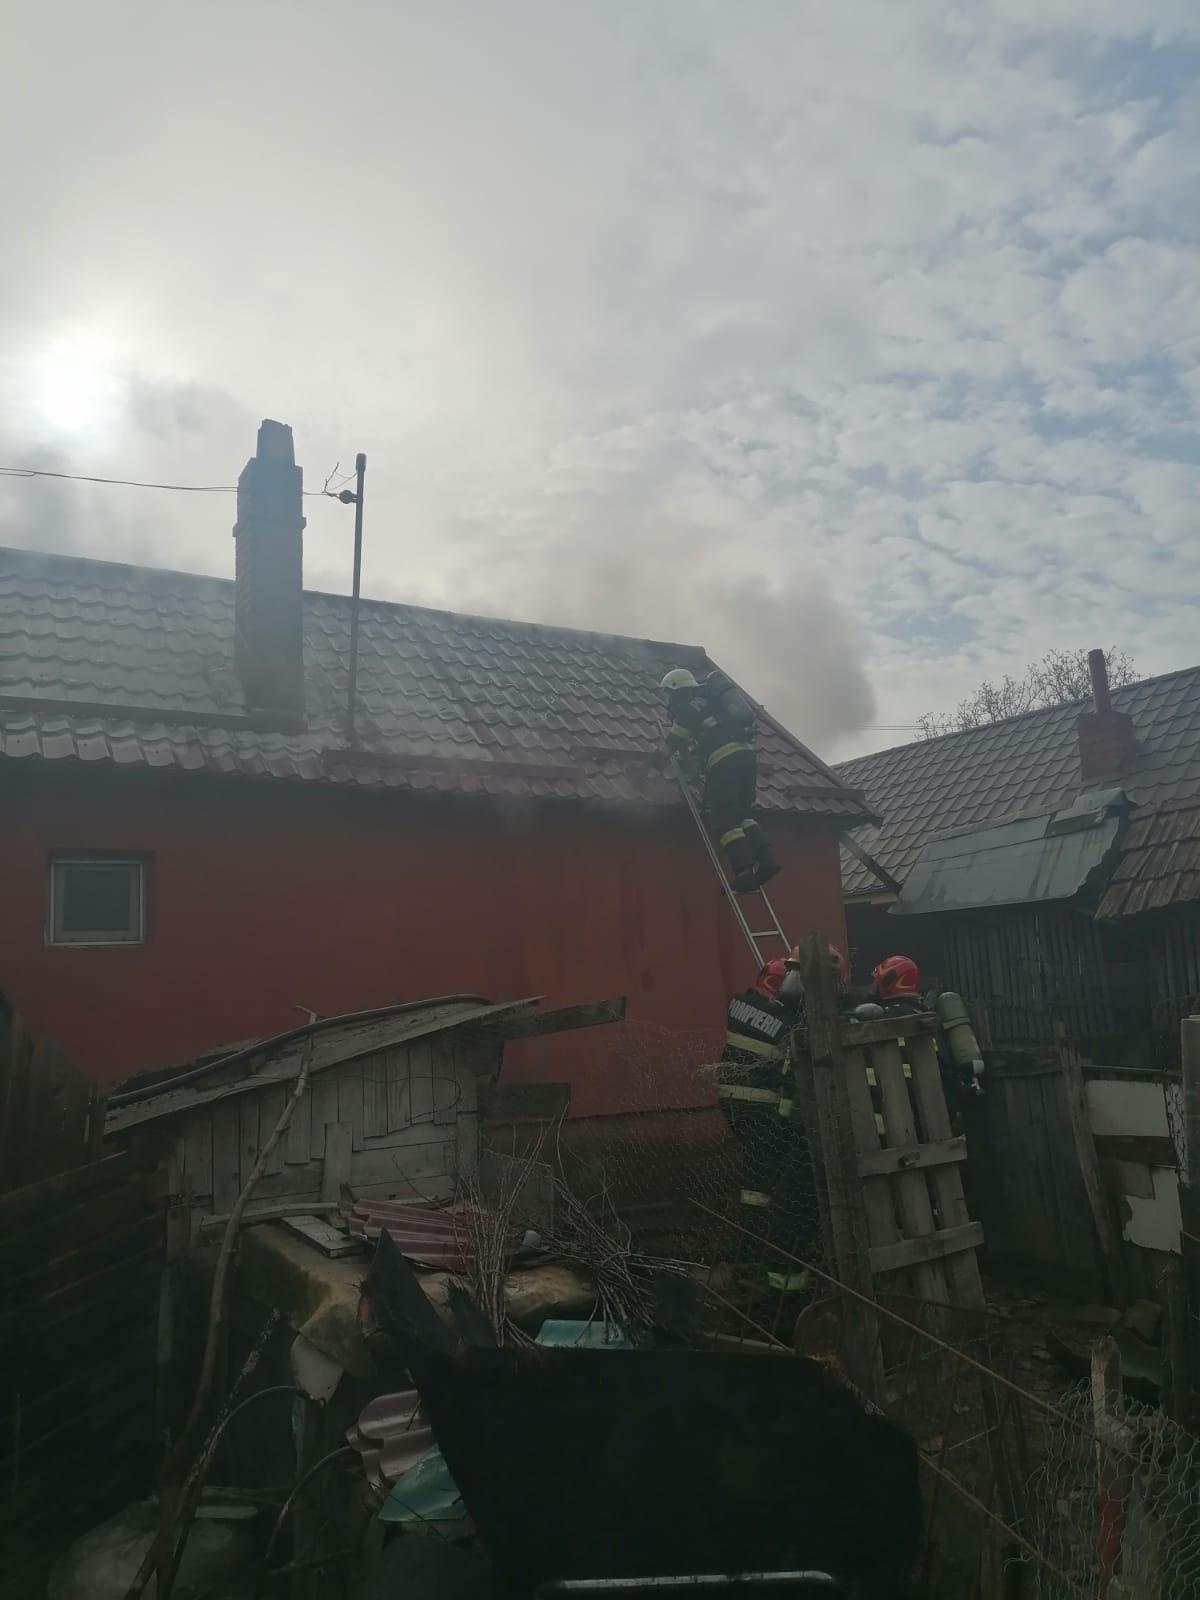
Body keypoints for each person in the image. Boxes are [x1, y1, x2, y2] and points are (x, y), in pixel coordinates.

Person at [660, 667, 779, 893]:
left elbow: (670, 745)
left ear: (678, 691)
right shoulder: (710, 700)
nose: (669, 700)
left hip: (725, 763)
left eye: (669, 694)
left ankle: (744, 874)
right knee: (743, 815)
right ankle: (766, 860)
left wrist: (647, 767)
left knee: (724, 821)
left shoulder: (686, 708)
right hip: (747, 758)